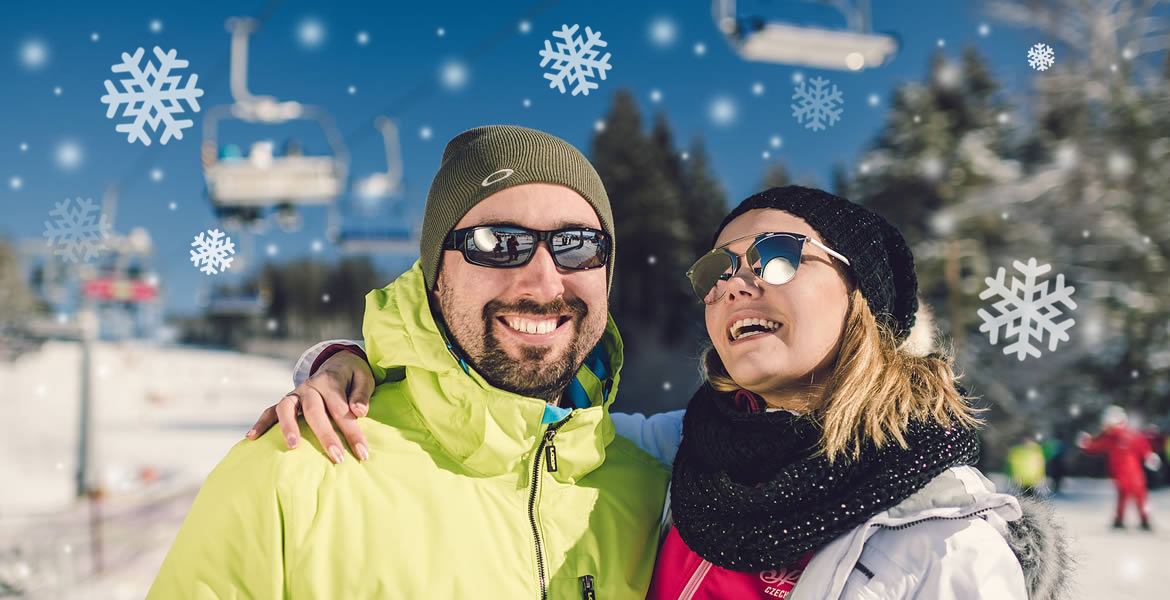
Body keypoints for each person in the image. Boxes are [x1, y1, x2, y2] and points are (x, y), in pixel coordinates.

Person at [254, 186, 1071, 599]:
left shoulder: (945, 540)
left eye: (780, 254)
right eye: (719, 267)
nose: (738, 281)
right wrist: (359, 366)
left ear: (868, 301)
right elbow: (510, 421)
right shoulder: (682, 456)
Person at [147, 125, 671, 598]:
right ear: (435, 279)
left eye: (577, 245)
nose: (543, 280)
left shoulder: (658, 498)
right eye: (498, 244)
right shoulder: (295, 475)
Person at [1078, 405, 1161, 531]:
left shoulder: (1118, 436)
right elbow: (1096, 446)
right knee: (1130, 497)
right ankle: (1133, 520)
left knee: (1135, 497)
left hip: (1131, 474)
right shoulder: (1114, 436)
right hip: (1126, 474)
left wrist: (1087, 444)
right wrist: (1087, 444)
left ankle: (1137, 520)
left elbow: (1142, 446)